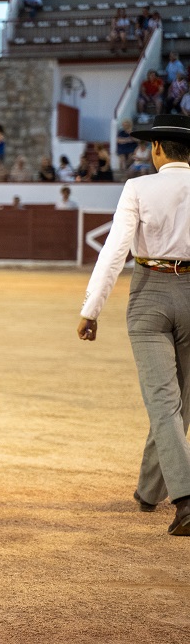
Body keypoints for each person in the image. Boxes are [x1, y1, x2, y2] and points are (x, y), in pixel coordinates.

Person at [77, 114, 190, 536]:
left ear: (157, 149)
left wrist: (92, 309)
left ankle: (185, 500)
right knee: (182, 402)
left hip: (149, 294)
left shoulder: (138, 187)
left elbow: (114, 251)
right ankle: (149, 490)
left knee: (163, 401)